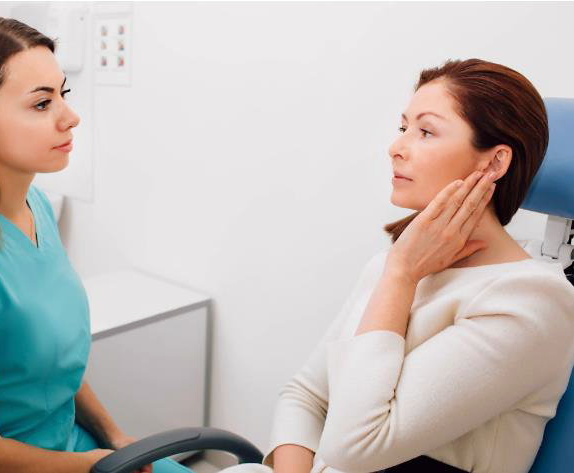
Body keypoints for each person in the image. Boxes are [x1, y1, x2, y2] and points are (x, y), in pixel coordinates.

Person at [222, 59, 574, 473]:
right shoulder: (395, 263)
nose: (396, 147)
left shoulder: (530, 301)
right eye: (403, 127)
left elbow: (355, 447)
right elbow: (306, 396)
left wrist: (401, 276)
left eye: (425, 132)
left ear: (494, 162)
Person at [0, 17, 191, 473]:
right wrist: (96, 465)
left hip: (69, 447)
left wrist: (115, 437)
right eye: (42, 103)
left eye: (63, 94)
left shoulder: (35, 206)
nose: (70, 116)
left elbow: (53, 364)